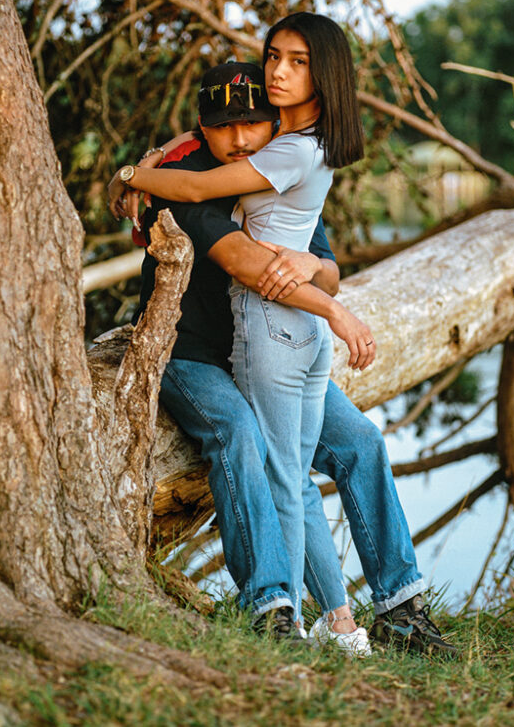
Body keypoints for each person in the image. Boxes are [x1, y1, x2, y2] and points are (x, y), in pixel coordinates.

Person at [109, 55, 458, 659]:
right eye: (222, 126)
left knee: (361, 443)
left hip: (270, 352)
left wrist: (316, 267)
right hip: (193, 355)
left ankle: (401, 608)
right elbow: (246, 263)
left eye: (252, 124)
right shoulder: (188, 179)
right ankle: (273, 608)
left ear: (274, 124)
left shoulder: (273, 172)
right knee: (240, 433)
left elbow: (329, 269)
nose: (238, 139)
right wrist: (334, 313)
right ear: (202, 128)